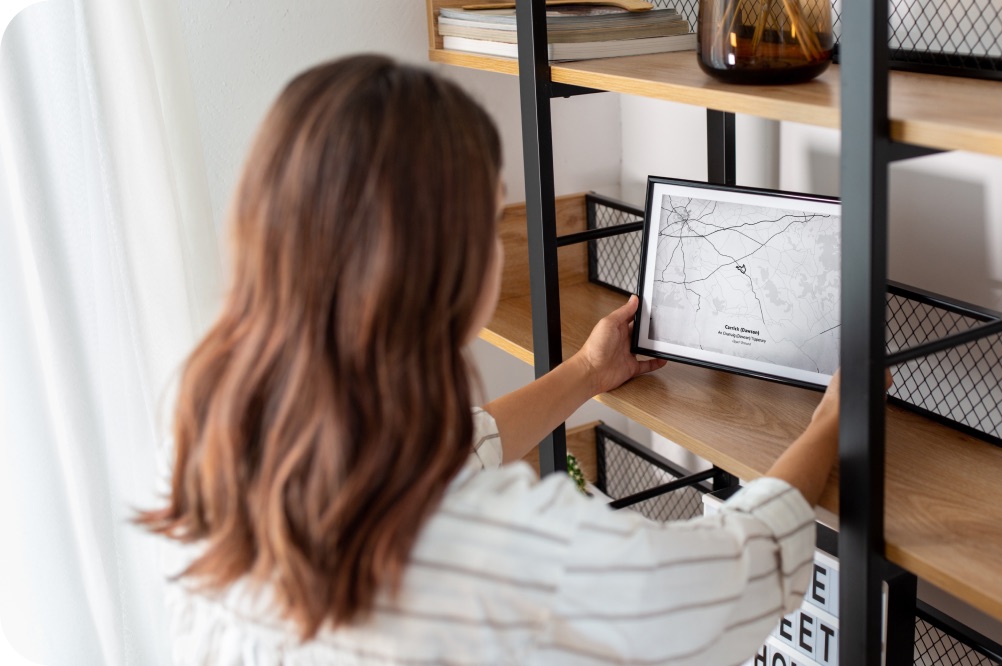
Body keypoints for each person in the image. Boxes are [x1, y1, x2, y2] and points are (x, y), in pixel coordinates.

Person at [139, 54, 859, 665]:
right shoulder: (503, 549)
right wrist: (833, 423)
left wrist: (585, 373)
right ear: (440, 267)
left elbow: (456, 454)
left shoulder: (219, 445)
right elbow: (734, 578)